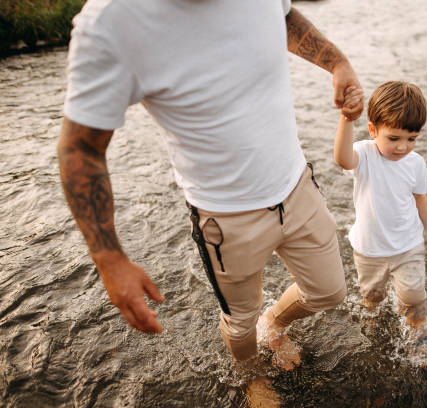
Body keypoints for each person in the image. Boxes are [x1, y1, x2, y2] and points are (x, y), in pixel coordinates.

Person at [57, 0, 364, 370]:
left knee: (329, 292)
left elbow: (282, 15)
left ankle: (275, 324)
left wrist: (336, 62)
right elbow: (81, 149)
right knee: (240, 323)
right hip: (225, 219)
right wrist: (109, 258)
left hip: (298, 187)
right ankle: (252, 377)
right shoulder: (113, 20)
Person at [334, 81, 427, 349]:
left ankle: (418, 336)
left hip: (407, 245)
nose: (403, 147)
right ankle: (373, 331)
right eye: (394, 138)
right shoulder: (364, 153)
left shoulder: (415, 163)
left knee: (412, 298)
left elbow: (421, 199)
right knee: (372, 297)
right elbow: (342, 159)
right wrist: (346, 119)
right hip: (369, 248)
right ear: (373, 130)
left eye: (412, 138)